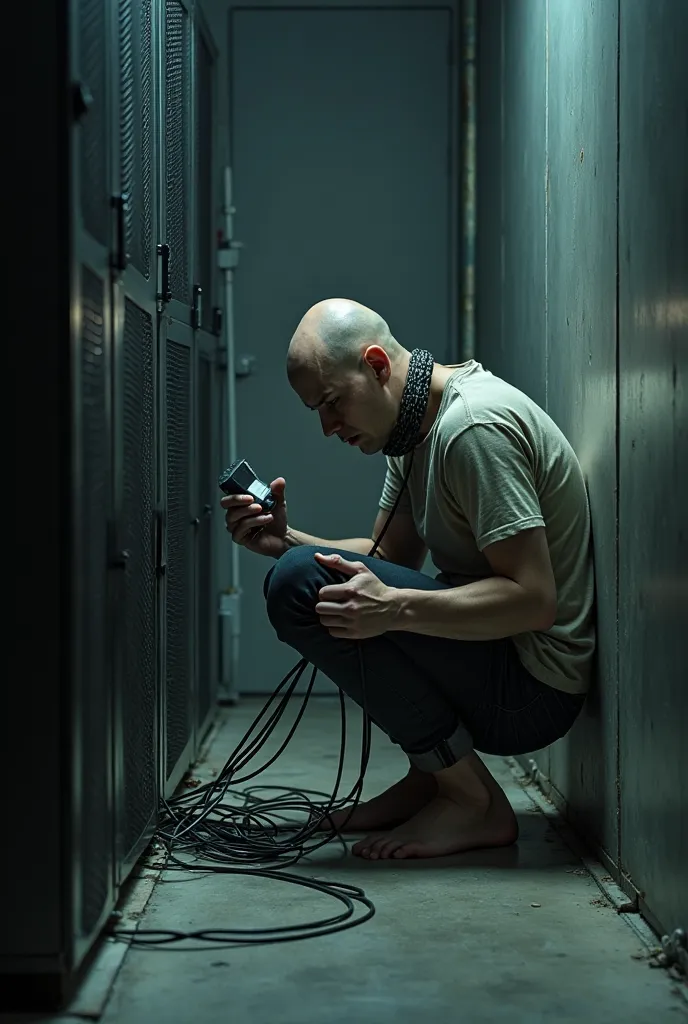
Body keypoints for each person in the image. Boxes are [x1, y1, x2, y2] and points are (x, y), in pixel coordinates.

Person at [221, 298, 595, 861]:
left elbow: (534, 601)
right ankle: (434, 778)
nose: (327, 428)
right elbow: (387, 557)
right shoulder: (414, 431)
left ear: (376, 365)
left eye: (331, 403)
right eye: (315, 412)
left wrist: (392, 608)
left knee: (297, 584)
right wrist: (286, 540)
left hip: (531, 690)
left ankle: (472, 801)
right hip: (496, 660)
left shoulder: (473, 430)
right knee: (300, 571)